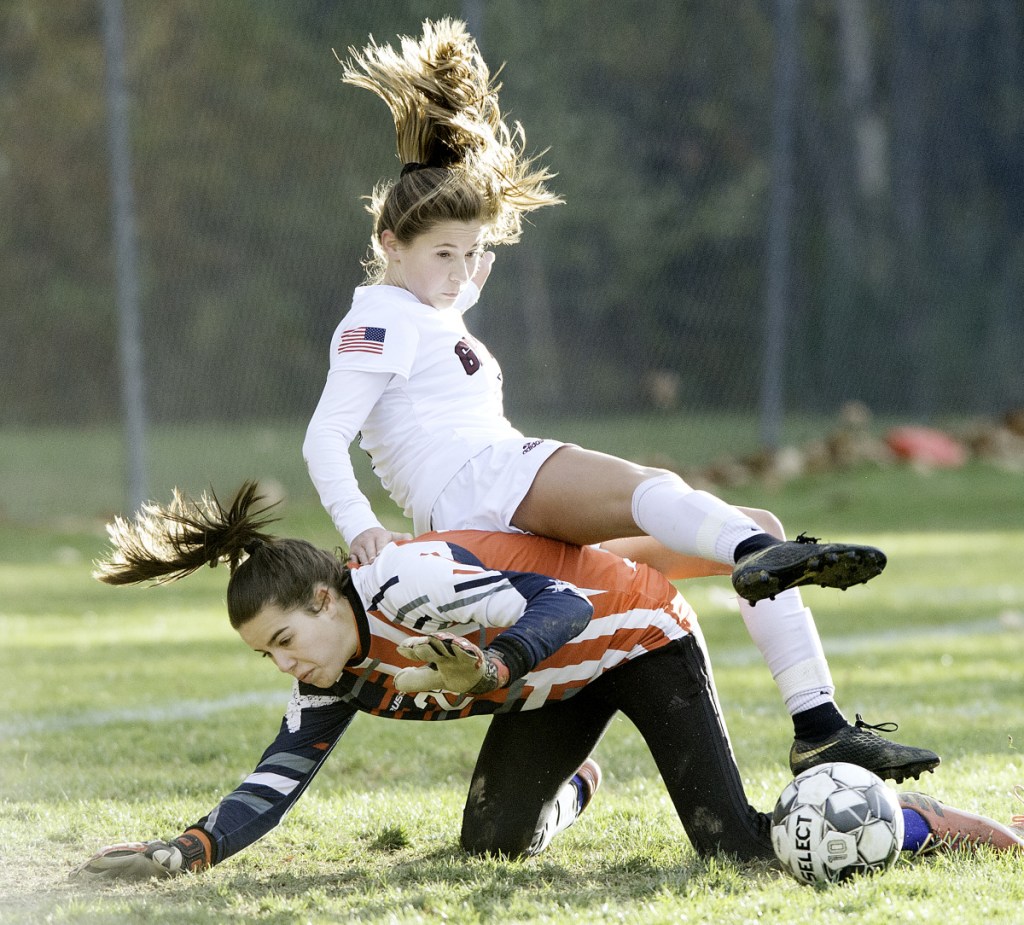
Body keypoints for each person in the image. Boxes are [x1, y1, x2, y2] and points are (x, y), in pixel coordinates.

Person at [302, 19, 936, 782]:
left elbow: (461, 255)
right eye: (443, 253)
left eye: (469, 253)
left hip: (485, 509)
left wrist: (457, 205)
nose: (459, 269)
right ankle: (755, 557)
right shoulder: (379, 313)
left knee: (754, 519)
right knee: (651, 492)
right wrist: (361, 527)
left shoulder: (436, 301)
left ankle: (821, 725)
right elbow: (322, 439)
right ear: (389, 242)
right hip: (476, 484)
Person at [71, 483, 1021, 880]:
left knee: (737, 848)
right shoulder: (331, 668)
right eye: (265, 655)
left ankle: (933, 824)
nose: (285, 665)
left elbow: (562, 608)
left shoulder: (406, 580)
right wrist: (184, 851)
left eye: (285, 638)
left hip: (634, 640)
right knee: (489, 850)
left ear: (328, 595)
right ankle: (580, 782)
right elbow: (275, 780)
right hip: (552, 688)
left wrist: (492, 663)